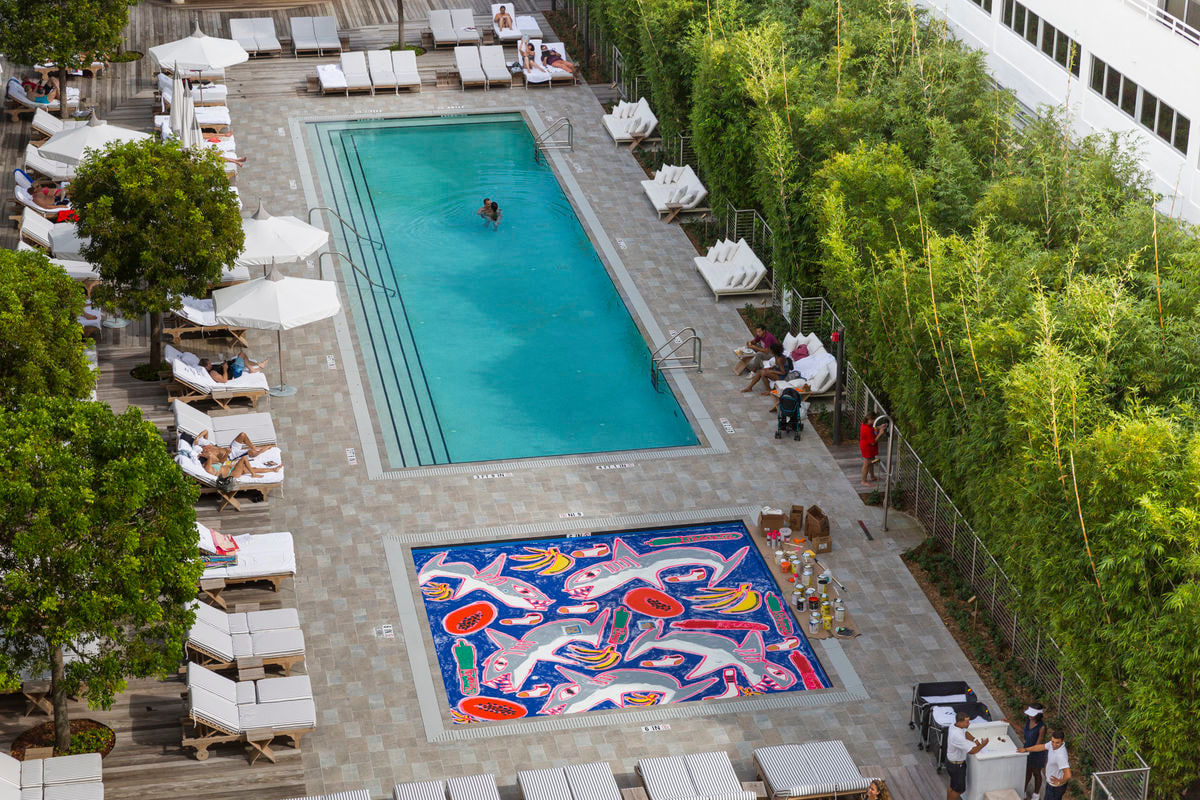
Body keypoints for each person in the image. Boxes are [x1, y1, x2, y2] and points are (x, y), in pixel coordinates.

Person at [945, 712, 989, 800]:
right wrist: (983, 745)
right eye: (967, 722)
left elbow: (965, 733)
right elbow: (972, 751)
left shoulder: (954, 726)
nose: (969, 723)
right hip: (957, 766)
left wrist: (975, 740)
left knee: (953, 785)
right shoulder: (957, 736)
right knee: (959, 790)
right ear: (960, 722)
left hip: (951, 762)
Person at [1019, 730, 1070, 800]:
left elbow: (1068, 774)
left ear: (1062, 741)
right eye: (1053, 741)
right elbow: (1041, 747)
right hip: (1051, 784)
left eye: (1057, 743)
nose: (1054, 745)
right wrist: (1026, 749)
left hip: (1055, 788)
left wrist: (1059, 782)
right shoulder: (1052, 745)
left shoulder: (1061, 755)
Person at [1021, 704, 1047, 800]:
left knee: (1036, 773)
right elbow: (1024, 732)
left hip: (1037, 753)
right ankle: (1022, 791)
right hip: (1027, 750)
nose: (1030, 716)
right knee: (1027, 772)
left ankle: (1036, 795)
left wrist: (1027, 751)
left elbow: (1038, 744)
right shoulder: (1028, 721)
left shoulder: (1042, 727)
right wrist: (1010, 722)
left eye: (1032, 714)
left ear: (1038, 715)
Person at [860, 415, 880, 487]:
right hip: (867, 448)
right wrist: (880, 434)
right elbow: (872, 442)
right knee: (866, 464)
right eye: (874, 420)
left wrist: (878, 427)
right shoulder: (867, 429)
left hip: (869, 447)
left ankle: (872, 476)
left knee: (871, 462)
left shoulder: (866, 424)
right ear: (870, 420)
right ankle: (863, 481)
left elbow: (873, 429)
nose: (875, 421)